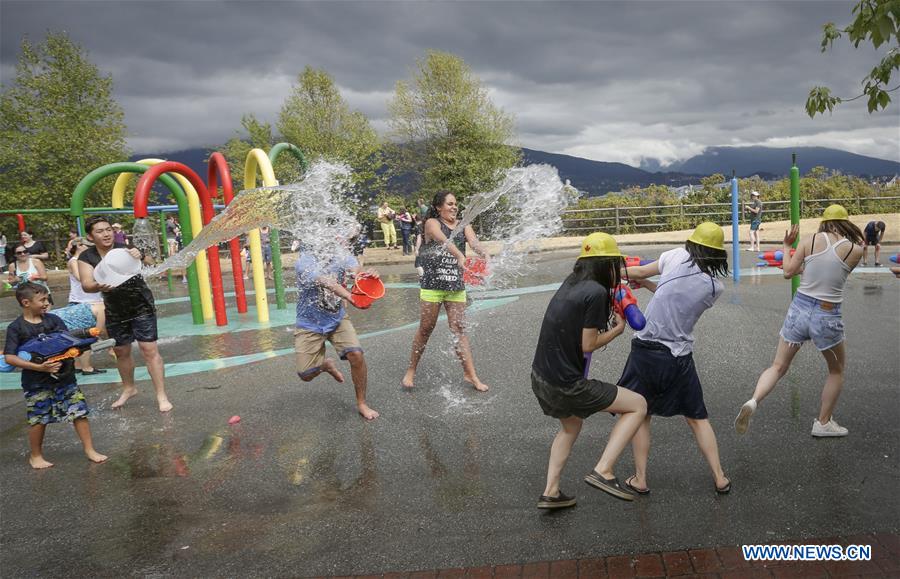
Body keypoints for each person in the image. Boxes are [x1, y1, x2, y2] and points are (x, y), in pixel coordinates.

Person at [532, 233, 648, 508]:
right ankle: (603, 470)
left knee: (571, 426)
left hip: (541, 378)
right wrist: (618, 329)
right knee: (638, 405)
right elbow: (588, 344)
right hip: (566, 384)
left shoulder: (572, 284)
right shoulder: (595, 293)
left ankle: (551, 491)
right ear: (605, 264)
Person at [617, 222, 732, 495]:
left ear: (692, 243)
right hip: (680, 356)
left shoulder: (676, 255)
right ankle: (720, 477)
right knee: (697, 417)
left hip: (646, 351)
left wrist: (614, 274)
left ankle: (640, 478)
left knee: (640, 414)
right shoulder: (715, 289)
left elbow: (641, 271)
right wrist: (646, 284)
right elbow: (676, 298)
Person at [735, 205, 864, 438]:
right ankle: (823, 423)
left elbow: (788, 271)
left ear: (824, 222)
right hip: (827, 313)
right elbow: (834, 273)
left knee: (778, 366)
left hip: (799, 309)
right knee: (836, 370)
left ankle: (753, 401)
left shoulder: (809, 241)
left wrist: (786, 247)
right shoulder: (854, 250)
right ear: (846, 223)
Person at [4, 282, 108, 469]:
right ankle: (35, 456)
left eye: (47, 299)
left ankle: (90, 449)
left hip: (65, 378)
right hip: (36, 382)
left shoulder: (53, 320)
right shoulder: (16, 328)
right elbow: (10, 357)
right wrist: (39, 367)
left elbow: (67, 341)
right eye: (42, 300)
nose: (46, 303)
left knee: (79, 412)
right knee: (38, 418)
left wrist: (78, 348)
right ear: (26, 302)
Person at [78, 216, 172, 413]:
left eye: (108, 229)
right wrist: (97, 285)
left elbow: (152, 263)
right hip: (114, 308)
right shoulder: (87, 257)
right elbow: (86, 284)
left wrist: (141, 254)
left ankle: (161, 395)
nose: (106, 234)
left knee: (149, 349)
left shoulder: (124, 248)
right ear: (90, 236)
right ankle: (129, 388)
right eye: (100, 231)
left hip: (140, 304)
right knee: (121, 351)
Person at [401, 191, 490, 392]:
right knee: (425, 329)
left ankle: (471, 374)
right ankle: (411, 370)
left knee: (459, 330)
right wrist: (459, 255)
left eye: (455, 204)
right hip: (432, 286)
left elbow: (474, 243)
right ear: (439, 207)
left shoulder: (463, 225)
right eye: (450, 204)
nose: (454, 207)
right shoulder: (432, 223)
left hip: (455, 287)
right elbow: (444, 241)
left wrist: (486, 254)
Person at [293, 244, 379, 420]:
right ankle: (325, 365)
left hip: (337, 318)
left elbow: (355, 270)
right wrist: (349, 296)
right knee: (305, 374)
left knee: (356, 354)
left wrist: (365, 276)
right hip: (309, 324)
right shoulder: (305, 261)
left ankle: (362, 403)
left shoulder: (341, 254)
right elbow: (327, 282)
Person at [66, 239, 106, 375]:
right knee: (86, 336)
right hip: (81, 302)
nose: (91, 248)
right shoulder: (74, 261)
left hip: (91, 300)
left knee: (79, 337)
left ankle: (78, 366)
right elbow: (80, 278)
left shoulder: (85, 260)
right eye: (88, 246)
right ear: (79, 246)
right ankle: (86, 367)